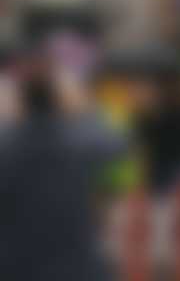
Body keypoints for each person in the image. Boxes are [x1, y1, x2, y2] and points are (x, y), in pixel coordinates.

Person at [0, 54, 128, 281]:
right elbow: (116, 144)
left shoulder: (8, 141)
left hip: (15, 262)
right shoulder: (79, 140)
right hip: (75, 262)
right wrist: (82, 108)